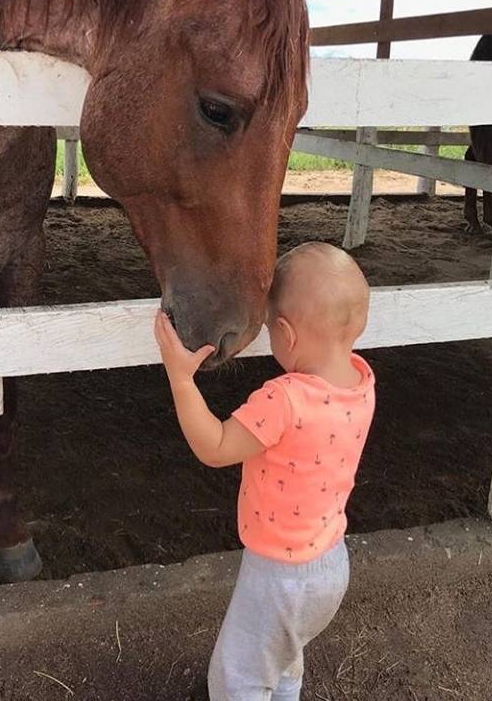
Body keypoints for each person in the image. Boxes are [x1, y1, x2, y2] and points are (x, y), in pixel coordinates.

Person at [154, 241, 375, 701]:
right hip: (330, 564)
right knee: (284, 658)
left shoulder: (285, 399)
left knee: (238, 678)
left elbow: (214, 446)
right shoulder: (361, 384)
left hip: (279, 578)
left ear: (287, 335)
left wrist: (180, 377)